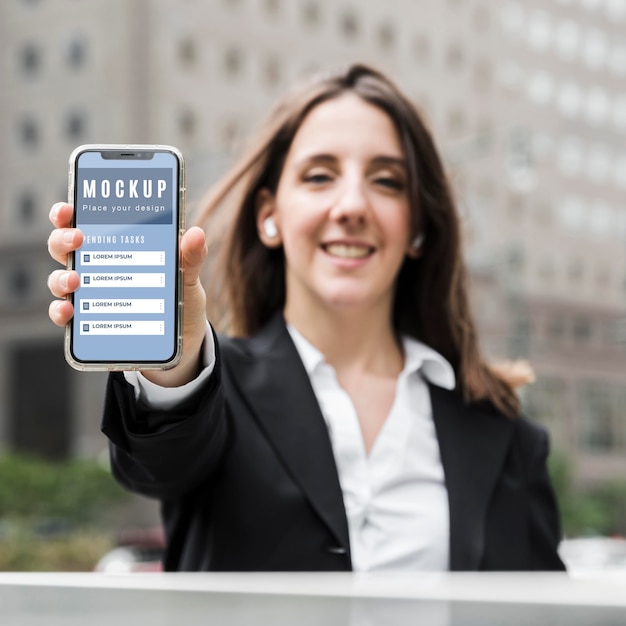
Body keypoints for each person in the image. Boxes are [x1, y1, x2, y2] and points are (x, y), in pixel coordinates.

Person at [47, 64, 565, 572]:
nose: (352, 205)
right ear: (269, 215)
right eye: (320, 176)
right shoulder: (211, 391)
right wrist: (174, 368)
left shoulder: (502, 431)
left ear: (417, 226)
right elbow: (157, 464)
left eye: (386, 181)